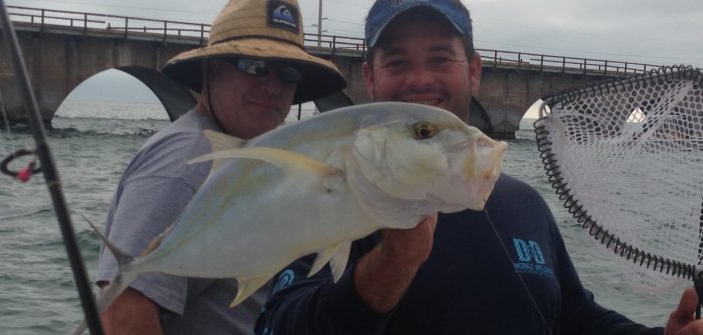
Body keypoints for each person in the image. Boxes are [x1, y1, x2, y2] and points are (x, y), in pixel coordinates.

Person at [255, 1, 703, 334]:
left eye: (439, 57)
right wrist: (390, 265)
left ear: (473, 71)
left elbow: (573, 316)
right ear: (370, 77)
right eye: (396, 61)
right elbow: (277, 324)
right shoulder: (322, 199)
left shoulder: (523, 202)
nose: (419, 78)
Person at [95, 0, 346, 334]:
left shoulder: (237, 157)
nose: (272, 87)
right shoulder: (187, 159)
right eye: (254, 65)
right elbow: (124, 314)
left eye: (288, 73)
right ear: (211, 70)